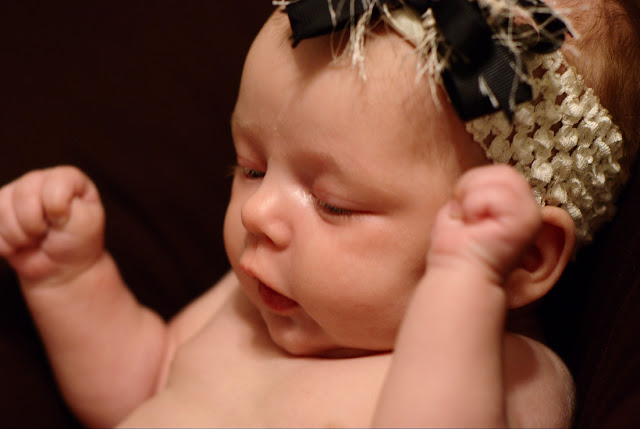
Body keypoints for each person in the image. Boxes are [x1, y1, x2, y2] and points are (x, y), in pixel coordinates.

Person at [0, 0, 637, 427]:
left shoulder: (509, 371)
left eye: (334, 204)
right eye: (250, 168)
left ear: (522, 257)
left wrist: (462, 286)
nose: (259, 213)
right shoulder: (254, 300)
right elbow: (141, 382)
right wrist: (70, 279)